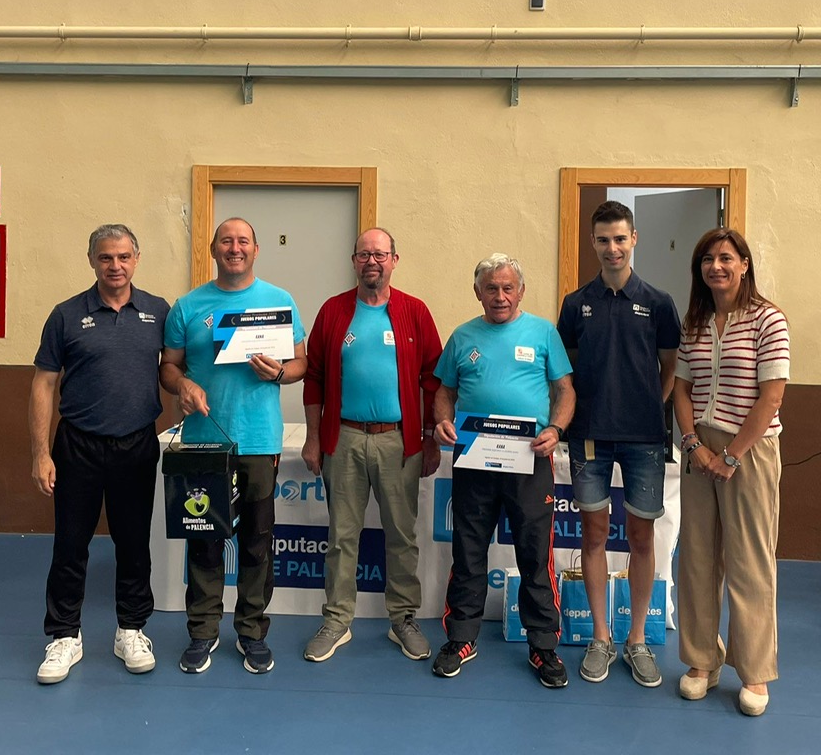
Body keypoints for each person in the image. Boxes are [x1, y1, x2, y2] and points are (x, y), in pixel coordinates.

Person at [161, 217, 308, 677]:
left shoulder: (279, 301)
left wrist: (280, 372)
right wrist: (182, 384)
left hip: (260, 441)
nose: (235, 248)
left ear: (256, 249)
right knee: (204, 540)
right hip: (204, 443)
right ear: (213, 249)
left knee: (257, 541)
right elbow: (168, 366)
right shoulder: (188, 306)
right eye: (226, 241)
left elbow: (301, 363)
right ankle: (202, 632)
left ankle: (251, 632)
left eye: (243, 241)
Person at [29, 223, 170, 685]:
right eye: (106, 257)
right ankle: (64, 635)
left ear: (137, 259)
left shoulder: (158, 311)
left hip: (137, 444)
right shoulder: (66, 315)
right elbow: (44, 384)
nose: (115, 265)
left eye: (124, 257)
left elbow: (175, 368)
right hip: (78, 446)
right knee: (70, 546)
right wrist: (41, 453)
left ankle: (131, 630)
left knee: (134, 544)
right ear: (91, 260)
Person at [432, 254, 576, 688]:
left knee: (534, 553)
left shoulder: (543, 333)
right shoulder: (462, 337)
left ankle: (543, 646)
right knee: (468, 550)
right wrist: (442, 421)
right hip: (474, 458)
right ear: (478, 292)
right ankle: (461, 638)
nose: (500, 296)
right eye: (491, 288)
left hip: (530, 459)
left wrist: (556, 428)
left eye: (508, 287)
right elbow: (444, 392)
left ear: (521, 291)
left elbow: (565, 390)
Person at [300, 228, 442, 663]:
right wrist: (312, 438)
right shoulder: (333, 311)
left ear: (394, 260)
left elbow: (433, 379)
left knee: (401, 535)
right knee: (342, 536)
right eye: (364, 254)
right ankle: (337, 620)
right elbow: (314, 377)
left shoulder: (415, 312)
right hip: (343, 438)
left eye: (380, 254)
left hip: (399, 441)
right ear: (354, 260)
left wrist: (430, 438)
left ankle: (403, 618)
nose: (372, 262)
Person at [556, 201, 679, 687]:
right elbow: (564, 372)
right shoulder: (575, 304)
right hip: (589, 437)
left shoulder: (659, 302)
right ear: (593, 243)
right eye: (604, 240)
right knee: (593, 536)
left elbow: (670, 368)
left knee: (642, 538)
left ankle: (637, 640)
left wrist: (648, 406)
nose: (613, 248)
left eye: (620, 239)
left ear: (634, 240)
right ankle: (601, 637)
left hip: (644, 439)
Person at [672, 228, 788, 717]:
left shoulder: (768, 319)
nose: (715, 267)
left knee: (749, 561)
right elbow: (681, 389)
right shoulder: (695, 322)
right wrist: (693, 444)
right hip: (699, 449)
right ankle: (702, 661)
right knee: (697, 558)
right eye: (707, 259)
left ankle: (754, 670)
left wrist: (732, 456)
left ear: (744, 264)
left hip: (751, 451)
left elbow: (772, 396)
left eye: (725, 258)